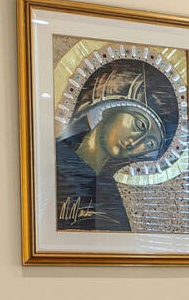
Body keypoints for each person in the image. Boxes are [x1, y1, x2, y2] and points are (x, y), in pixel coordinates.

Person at [54, 94, 162, 231]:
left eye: (150, 143)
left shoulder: (111, 197)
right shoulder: (54, 160)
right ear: (113, 107)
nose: (135, 143)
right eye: (140, 125)